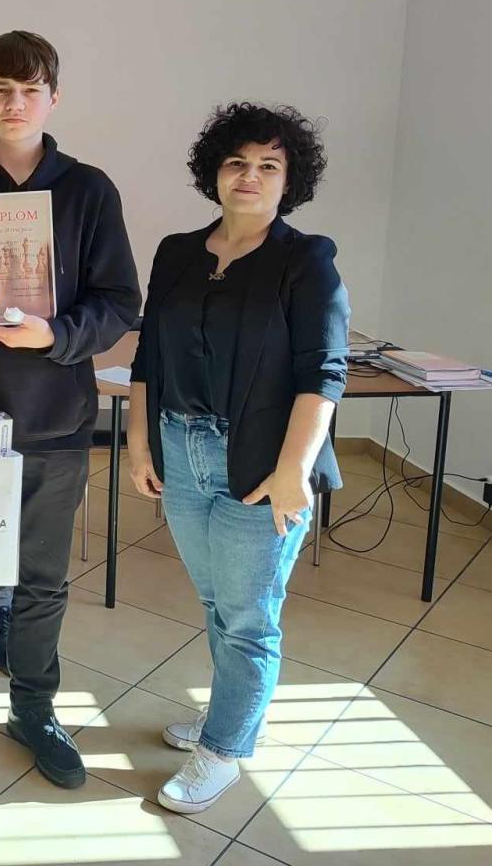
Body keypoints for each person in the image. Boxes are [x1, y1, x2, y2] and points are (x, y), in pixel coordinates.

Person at [0, 31, 140, 786]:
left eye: (30, 91)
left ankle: (34, 709)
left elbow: (120, 303)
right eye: (1, 90)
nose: (14, 104)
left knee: (41, 580)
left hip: (57, 419)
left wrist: (57, 335)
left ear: (54, 99)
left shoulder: (88, 190)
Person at [127, 103, 348, 814]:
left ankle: (223, 750)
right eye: (237, 162)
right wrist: (138, 440)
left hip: (261, 464)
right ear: (214, 172)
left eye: (268, 165)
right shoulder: (177, 252)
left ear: (290, 180)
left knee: (250, 615)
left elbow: (323, 374)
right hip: (180, 449)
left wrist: (293, 470)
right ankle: (231, 709)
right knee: (217, 601)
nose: (249, 176)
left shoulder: (306, 260)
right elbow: (148, 354)